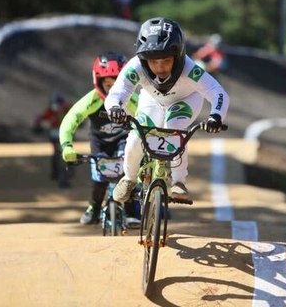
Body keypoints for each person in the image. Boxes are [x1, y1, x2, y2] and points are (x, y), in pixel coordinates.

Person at [105, 17, 229, 204]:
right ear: (143, 58)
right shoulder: (135, 65)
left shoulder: (189, 68)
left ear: (178, 56)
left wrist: (215, 117)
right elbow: (118, 92)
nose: (160, 67)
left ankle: (179, 182)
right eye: (153, 61)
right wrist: (115, 107)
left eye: (166, 60)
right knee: (138, 136)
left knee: (174, 127)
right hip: (152, 99)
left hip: (186, 100)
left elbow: (217, 92)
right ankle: (129, 179)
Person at [59, 52, 139, 225]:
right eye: (107, 84)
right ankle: (94, 207)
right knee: (100, 179)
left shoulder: (132, 100)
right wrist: (67, 146)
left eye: (116, 83)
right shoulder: (92, 99)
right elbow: (70, 120)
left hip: (123, 140)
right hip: (99, 142)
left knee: (128, 173)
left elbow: (148, 118)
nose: (112, 89)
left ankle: (132, 210)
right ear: (98, 81)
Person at [33, 92, 71, 180]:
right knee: (59, 153)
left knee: (60, 153)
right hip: (59, 134)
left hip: (61, 134)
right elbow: (41, 118)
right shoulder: (58, 109)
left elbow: (40, 118)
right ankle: (60, 173)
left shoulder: (63, 109)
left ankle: (60, 173)